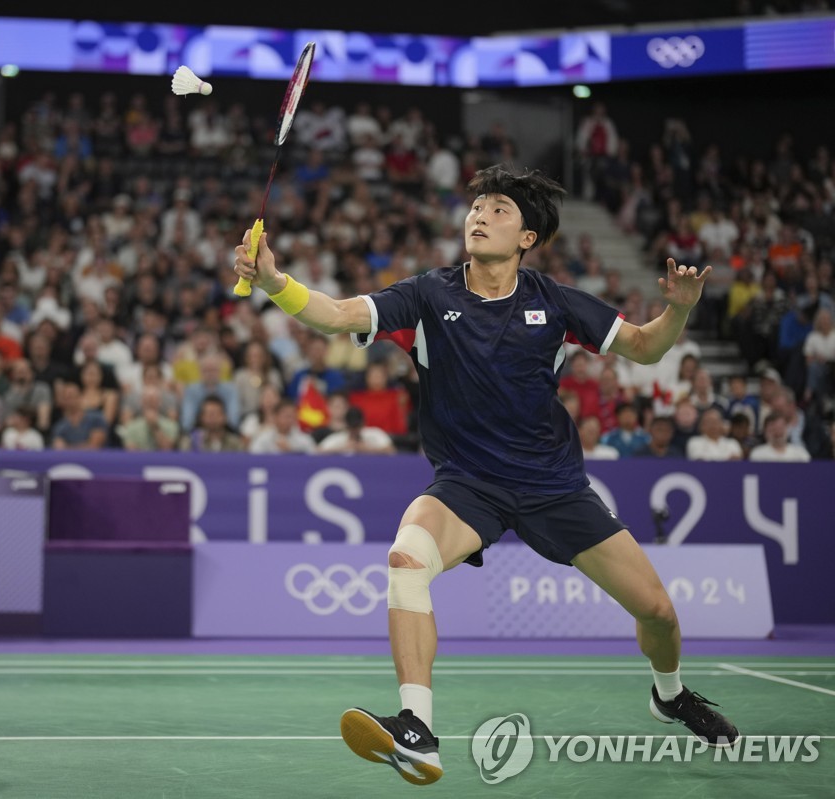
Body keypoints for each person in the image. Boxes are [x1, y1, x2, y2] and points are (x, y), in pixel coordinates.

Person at [233, 163, 738, 786]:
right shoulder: (426, 295)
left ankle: (670, 692)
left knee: (658, 611)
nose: (480, 215)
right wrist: (275, 281)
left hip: (554, 486)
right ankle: (415, 728)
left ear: (527, 237)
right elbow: (336, 314)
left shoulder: (553, 302)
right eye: (477, 206)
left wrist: (679, 312)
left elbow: (645, 347)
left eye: (499, 209)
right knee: (406, 559)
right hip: (468, 483)